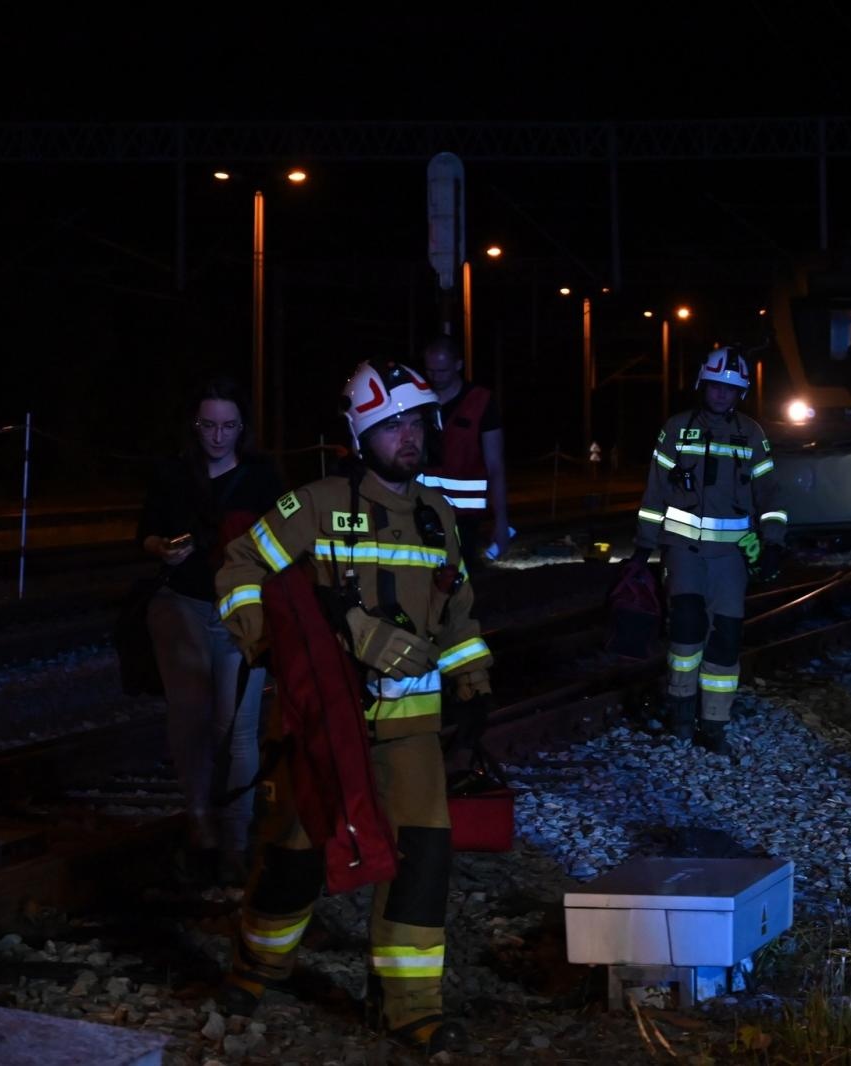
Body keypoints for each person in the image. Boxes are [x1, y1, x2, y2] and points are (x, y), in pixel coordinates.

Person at [213, 359, 492, 1055]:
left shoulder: (437, 516)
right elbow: (241, 565)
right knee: (296, 856)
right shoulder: (315, 504)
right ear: (361, 435)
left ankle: (410, 1007)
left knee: (423, 860)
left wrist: (473, 680)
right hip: (322, 728)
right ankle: (256, 968)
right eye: (391, 425)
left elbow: (456, 611)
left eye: (416, 422)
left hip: (411, 733)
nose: (408, 436)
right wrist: (270, 643)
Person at [136, 376, 282, 887]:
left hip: (242, 612)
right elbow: (145, 532)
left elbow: (287, 543)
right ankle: (200, 824)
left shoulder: (263, 479)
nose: (218, 437)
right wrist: (162, 548)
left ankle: (236, 840)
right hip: (182, 605)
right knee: (191, 716)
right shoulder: (173, 474)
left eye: (228, 426)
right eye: (208, 425)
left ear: (243, 427)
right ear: (194, 426)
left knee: (236, 727)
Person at [631, 347, 786, 755]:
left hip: (731, 558)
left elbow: (769, 494)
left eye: (730, 389)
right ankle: (681, 714)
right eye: (716, 386)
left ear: (740, 394)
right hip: (683, 550)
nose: (721, 394)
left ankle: (714, 724)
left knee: (726, 638)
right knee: (685, 627)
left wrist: (774, 541)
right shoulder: (676, 429)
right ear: (703, 384)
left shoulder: (752, 434)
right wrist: (643, 547)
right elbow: (655, 493)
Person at [417, 333, 511, 564]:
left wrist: (501, 521)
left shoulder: (481, 402)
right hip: (420, 509)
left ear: (458, 365)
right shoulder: (418, 399)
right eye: (430, 370)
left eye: (442, 371)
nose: (435, 377)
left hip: (464, 519)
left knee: (458, 578)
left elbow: (495, 466)